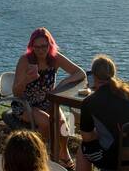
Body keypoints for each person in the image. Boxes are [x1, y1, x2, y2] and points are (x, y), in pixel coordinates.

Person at [11, 28, 86, 163]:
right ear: (31, 46)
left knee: (65, 125)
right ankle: (39, 154)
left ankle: (63, 152)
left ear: (50, 45)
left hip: (47, 101)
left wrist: (61, 84)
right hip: (25, 103)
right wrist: (26, 79)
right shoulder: (25, 60)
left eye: (44, 46)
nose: (40, 50)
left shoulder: (55, 58)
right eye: (37, 46)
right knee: (46, 122)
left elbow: (80, 73)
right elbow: (16, 92)